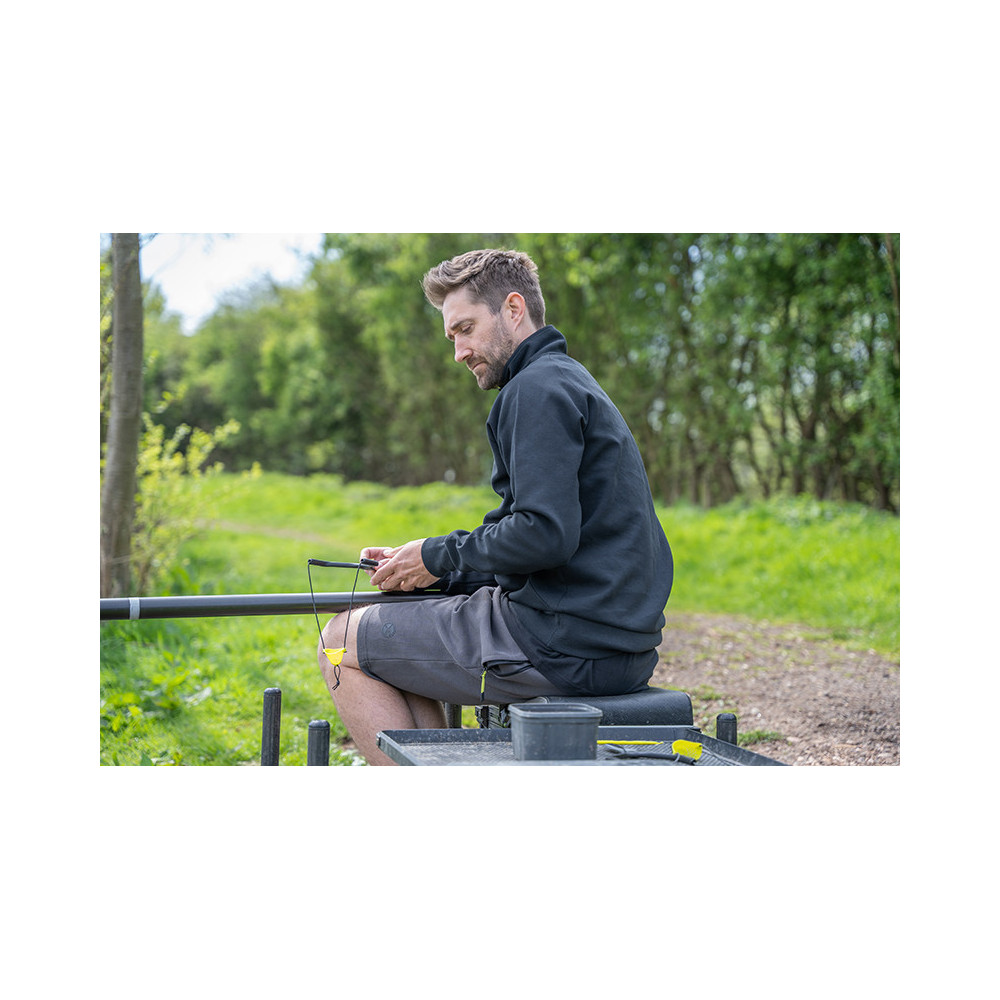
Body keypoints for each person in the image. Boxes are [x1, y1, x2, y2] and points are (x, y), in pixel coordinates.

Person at [317, 248, 673, 764]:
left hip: (563, 645)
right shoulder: (567, 378)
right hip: (613, 644)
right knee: (396, 623)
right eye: (452, 337)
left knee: (338, 640)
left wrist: (437, 556)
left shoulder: (535, 390)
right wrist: (428, 569)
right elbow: (534, 535)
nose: (459, 352)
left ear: (513, 309)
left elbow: (542, 533)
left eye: (466, 329)